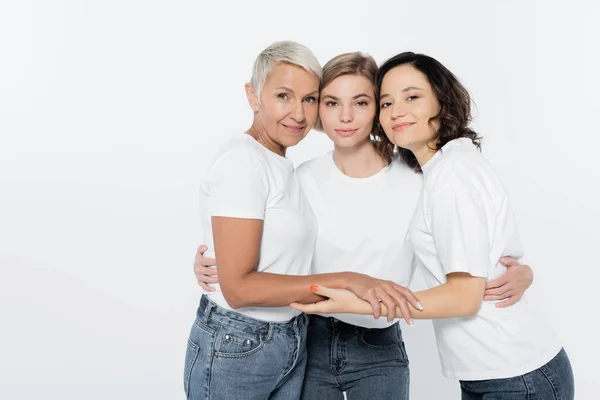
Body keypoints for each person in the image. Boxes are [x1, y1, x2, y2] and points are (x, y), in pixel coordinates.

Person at [193, 51, 534, 399]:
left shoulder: (417, 174)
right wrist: (210, 260)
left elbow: (477, 222)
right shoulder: (302, 178)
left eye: (360, 102)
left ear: (377, 110)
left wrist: (521, 270)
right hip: (309, 338)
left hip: (379, 344)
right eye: (330, 102)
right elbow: (267, 238)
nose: (345, 116)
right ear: (318, 112)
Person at [291, 52, 575, 399]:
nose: (397, 112)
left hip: (514, 372)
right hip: (489, 370)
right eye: (388, 102)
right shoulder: (440, 168)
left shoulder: (443, 174)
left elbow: (466, 294)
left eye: (412, 97)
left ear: (441, 100)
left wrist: (354, 301)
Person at [184, 42, 421, 400]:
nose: (298, 113)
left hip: (302, 338)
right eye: (284, 96)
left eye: (309, 99)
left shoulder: (286, 169)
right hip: (267, 335)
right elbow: (240, 284)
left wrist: (515, 271)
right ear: (253, 96)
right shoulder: (271, 167)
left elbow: (276, 245)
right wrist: (351, 280)